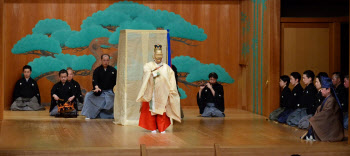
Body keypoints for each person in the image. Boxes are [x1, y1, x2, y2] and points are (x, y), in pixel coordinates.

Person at [136, 44, 181, 133]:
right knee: (151, 110)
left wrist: (171, 90)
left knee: (162, 110)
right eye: (157, 56)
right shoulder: (148, 65)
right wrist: (154, 74)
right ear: (153, 56)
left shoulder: (167, 68)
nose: (158, 58)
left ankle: (161, 127)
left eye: (160, 56)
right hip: (151, 92)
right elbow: (146, 74)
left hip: (163, 92)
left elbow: (172, 80)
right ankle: (152, 127)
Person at [302, 76, 344, 141]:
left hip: (332, 126)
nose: (321, 90)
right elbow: (319, 109)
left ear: (328, 89)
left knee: (313, 120)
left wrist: (315, 118)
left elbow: (327, 114)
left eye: (322, 89)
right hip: (326, 121)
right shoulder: (327, 99)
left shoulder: (332, 100)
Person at [81, 54, 117, 119]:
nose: (105, 62)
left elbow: (116, 83)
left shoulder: (113, 70)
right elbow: (95, 80)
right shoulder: (97, 70)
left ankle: (109, 115)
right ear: (101, 60)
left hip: (110, 92)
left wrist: (115, 90)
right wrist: (96, 87)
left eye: (107, 60)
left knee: (114, 98)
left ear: (109, 61)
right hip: (100, 91)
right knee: (88, 96)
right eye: (104, 60)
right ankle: (89, 115)